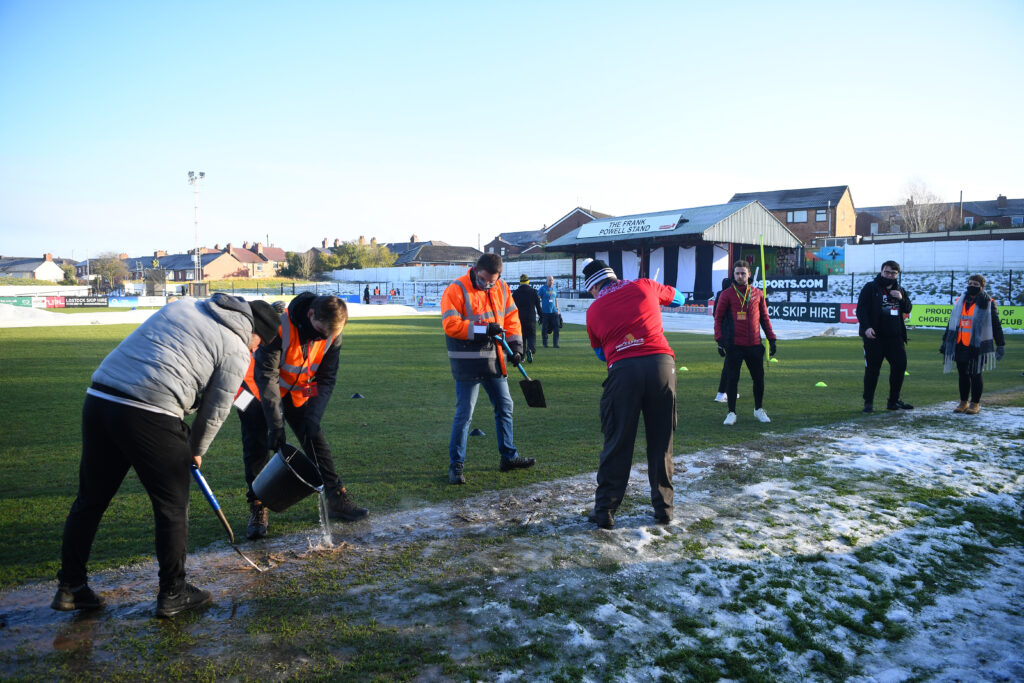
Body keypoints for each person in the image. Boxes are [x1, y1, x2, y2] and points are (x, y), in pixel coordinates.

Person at [52, 294, 282, 618]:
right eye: (259, 345)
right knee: (172, 506)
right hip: (149, 411)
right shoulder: (237, 348)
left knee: (90, 500)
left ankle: (70, 586)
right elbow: (216, 411)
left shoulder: (185, 305)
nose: (256, 351)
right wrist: (195, 451)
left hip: (100, 397)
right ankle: (174, 591)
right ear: (255, 333)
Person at [583, 259, 685, 529]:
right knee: (661, 441)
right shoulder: (645, 285)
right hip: (661, 365)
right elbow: (679, 299)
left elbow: (600, 353)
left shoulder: (593, 311)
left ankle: (605, 510)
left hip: (623, 370)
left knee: (618, 441)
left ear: (593, 288)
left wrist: (626, 341)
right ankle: (664, 508)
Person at [255, 293, 368, 522]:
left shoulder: (332, 334)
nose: (324, 337)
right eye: (321, 330)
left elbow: (325, 379)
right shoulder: (280, 327)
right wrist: (276, 425)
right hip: (258, 390)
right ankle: (257, 508)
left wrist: (313, 416)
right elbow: (268, 377)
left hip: (300, 390)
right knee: (256, 444)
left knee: (314, 435)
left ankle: (336, 498)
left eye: (331, 333)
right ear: (310, 315)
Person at [441, 253, 535, 485]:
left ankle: (508, 457)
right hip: (467, 362)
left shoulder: (501, 287)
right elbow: (450, 325)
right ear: (474, 269)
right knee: (464, 414)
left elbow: (512, 318)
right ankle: (456, 465)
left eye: (492, 281)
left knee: (505, 406)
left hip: (494, 360)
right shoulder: (456, 289)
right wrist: (484, 330)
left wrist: (517, 347)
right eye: (483, 280)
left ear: (499, 276)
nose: (487, 284)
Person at [236, 300, 286, 540]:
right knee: (253, 441)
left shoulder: (282, 332)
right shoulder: (236, 332)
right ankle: (257, 505)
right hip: (242, 390)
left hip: (271, 389)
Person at [714, 261, 777, 425]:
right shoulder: (726, 294)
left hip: (755, 344)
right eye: (737, 273)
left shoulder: (758, 294)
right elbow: (718, 319)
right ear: (733, 275)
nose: (740, 276)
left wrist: (772, 338)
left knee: (759, 379)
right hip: (734, 345)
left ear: (749, 274)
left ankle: (758, 409)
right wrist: (719, 340)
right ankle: (731, 413)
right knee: (732, 379)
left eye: (743, 273)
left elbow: (764, 318)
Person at [940, 274, 1005, 414]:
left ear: (982, 287)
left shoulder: (989, 302)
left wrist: (1000, 344)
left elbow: (996, 325)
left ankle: (975, 403)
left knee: (975, 374)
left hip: (977, 344)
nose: (972, 286)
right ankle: (963, 402)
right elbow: (951, 323)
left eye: (975, 285)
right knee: (962, 374)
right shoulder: (960, 300)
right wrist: (945, 341)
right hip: (960, 342)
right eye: (970, 283)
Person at [856, 260, 913, 412]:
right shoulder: (870, 288)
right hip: (875, 337)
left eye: (893, 273)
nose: (890, 275)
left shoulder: (899, 289)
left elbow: (908, 308)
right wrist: (866, 327)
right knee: (873, 370)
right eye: (887, 272)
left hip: (895, 337)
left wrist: (901, 298)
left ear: (897, 275)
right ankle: (868, 402)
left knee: (900, 366)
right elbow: (861, 310)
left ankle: (893, 401)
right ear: (881, 272)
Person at [512, 274, 542, 360]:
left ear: (520, 283)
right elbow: (538, 306)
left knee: (522, 337)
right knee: (532, 336)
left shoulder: (516, 293)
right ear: (528, 282)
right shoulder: (533, 292)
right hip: (531, 318)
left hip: (519, 318)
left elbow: (512, 307)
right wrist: (541, 316)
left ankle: (522, 357)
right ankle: (531, 350)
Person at [712, 277, 733, 403]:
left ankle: (729, 391)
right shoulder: (727, 296)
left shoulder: (720, 295)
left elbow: (715, 315)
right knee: (730, 365)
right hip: (729, 334)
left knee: (733, 365)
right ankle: (721, 393)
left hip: (726, 334)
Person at [538, 275, 560, 348]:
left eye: (552, 280)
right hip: (545, 312)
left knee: (556, 328)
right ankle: (545, 344)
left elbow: (556, 299)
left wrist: (558, 309)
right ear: (547, 281)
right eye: (550, 280)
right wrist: (538, 309)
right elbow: (538, 298)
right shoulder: (542, 289)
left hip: (554, 312)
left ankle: (555, 344)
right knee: (544, 329)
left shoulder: (555, 289)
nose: (551, 281)